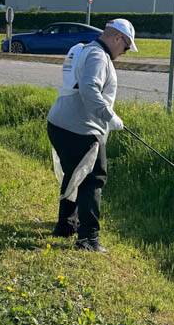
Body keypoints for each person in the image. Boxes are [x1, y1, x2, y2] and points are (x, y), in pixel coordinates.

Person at [46, 18, 137, 253]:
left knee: (74, 174)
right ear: (118, 38)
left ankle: (66, 226)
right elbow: (89, 89)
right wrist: (110, 116)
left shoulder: (88, 49)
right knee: (93, 179)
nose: (124, 53)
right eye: (126, 47)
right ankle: (88, 239)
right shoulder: (98, 56)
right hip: (80, 128)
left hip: (61, 122)